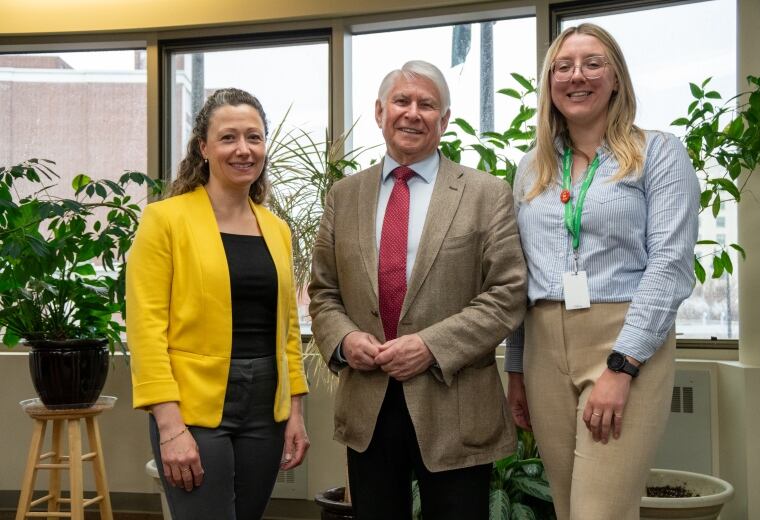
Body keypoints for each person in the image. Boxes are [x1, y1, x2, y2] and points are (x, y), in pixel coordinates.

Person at [308, 60, 527, 520]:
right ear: (380, 112)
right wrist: (345, 340)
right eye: (402, 102)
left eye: (426, 105)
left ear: (444, 120)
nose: (412, 113)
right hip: (369, 403)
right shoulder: (343, 196)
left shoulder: (486, 193)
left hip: (455, 405)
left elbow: (507, 292)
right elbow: (324, 291)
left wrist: (431, 346)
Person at [504, 23, 699, 520]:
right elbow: (523, 275)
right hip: (544, 346)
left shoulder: (658, 153)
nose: (577, 76)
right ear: (550, 84)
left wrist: (623, 365)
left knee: (600, 512)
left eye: (593, 63)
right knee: (570, 509)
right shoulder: (531, 168)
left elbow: (671, 265)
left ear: (616, 78)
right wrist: (517, 370)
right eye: (563, 67)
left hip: (624, 339)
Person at [126, 88, 310, 520]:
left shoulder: (277, 229)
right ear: (203, 148)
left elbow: (286, 329)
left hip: (267, 406)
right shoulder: (165, 220)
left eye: (254, 137)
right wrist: (170, 428)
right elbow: (145, 330)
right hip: (192, 407)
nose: (243, 149)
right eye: (228, 138)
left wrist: (295, 411)